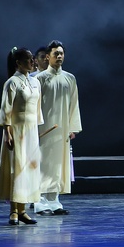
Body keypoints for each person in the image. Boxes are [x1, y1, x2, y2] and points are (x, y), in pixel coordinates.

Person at [0, 47, 43, 225]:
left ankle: (23, 210)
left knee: (29, 169)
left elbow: (37, 109)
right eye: (29, 59)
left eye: (32, 59)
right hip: (17, 130)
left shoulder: (35, 82)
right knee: (17, 168)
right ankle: (14, 210)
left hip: (31, 131)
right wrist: (7, 133)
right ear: (18, 63)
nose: (33, 61)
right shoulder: (12, 82)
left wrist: (36, 130)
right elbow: (6, 109)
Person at [34, 40, 83, 215]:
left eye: (61, 53)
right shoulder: (39, 79)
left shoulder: (69, 78)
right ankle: (40, 201)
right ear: (48, 57)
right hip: (44, 129)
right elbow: (34, 106)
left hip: (62, 128)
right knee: (43, 163)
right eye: (56, 54)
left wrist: (72, 127)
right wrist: (34, 128)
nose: (59, 56)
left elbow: (74, 104)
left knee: (57, 164)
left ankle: (54, 201)